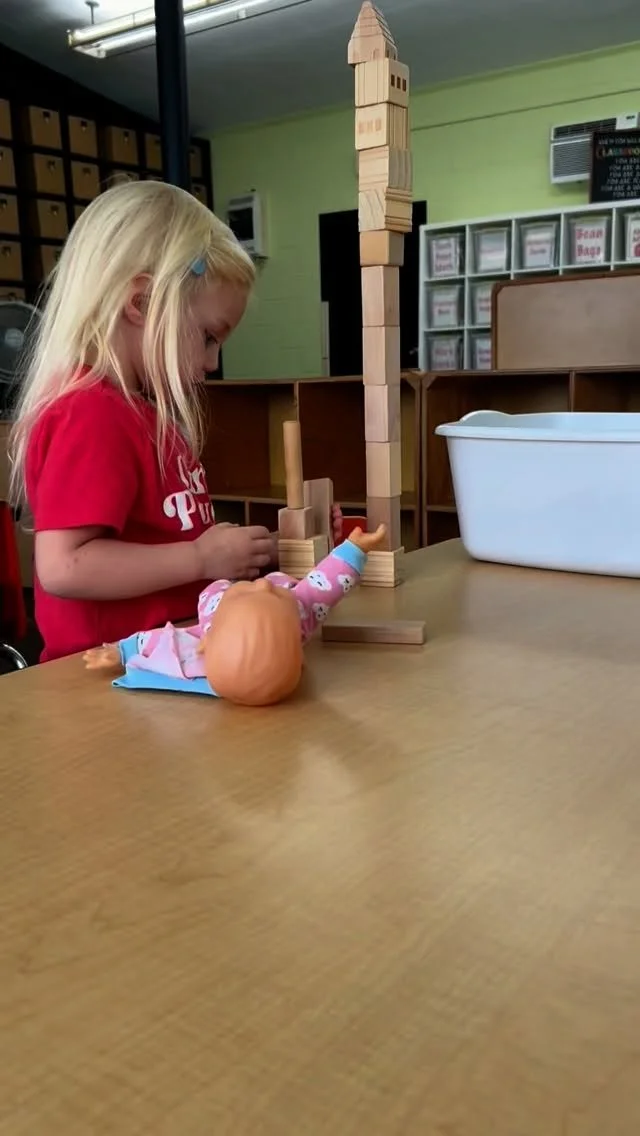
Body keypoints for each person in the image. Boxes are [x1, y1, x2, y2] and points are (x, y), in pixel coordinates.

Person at [9, 181, 341, 662]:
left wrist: (266, 548)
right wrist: (201, 557)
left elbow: (166, 545)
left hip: (164, 662)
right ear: (141, 303)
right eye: (208, 337)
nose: (211, 363)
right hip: (108, 676)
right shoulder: (90, 412)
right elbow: (65, 566)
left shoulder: (143, 412)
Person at [83, 524, 386, 706]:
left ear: (206, 643)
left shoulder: (209, 632)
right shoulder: (299, 611)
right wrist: (354, 550)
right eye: (274, 594)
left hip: (217, 580)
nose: (264, 584)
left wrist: (122, 651)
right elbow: (326, 585)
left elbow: (163, 641)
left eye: (247, 593)